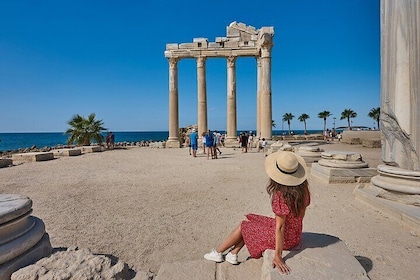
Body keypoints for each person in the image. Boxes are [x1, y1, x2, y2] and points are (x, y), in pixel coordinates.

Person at [204, 151, 310, 275]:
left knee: (244, 225)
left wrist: (278, 255)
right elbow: (297, 217)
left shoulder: (281, 195)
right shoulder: (304, 190)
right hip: (295, 235)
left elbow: (280, 227)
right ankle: (233, 253)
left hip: (286, 238)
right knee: (253, 219)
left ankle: (218, 252)